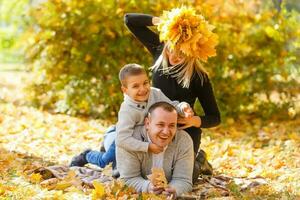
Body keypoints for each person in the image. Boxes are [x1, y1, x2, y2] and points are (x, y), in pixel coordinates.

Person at [124, 8, 221, 182]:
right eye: (172, 48)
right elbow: (129, 20)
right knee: (142, 169)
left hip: (185, 131)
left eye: (182, 52)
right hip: (155, 125)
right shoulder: (158, 50)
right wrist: (164, 23)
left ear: (192, 51)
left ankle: (200, 160)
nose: (175, 56)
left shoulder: (199, 77)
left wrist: (193, 121)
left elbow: (215, 117)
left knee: (182, 176)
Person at [70, 64, 193, 174]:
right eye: (135, 86)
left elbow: (171, 106)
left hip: (143, 137)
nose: (143, 89)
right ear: (125, 90)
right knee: (106, 161)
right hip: (123, 135)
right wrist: (148, 147)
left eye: (145, 83)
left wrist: (183, 107)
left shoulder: (155, 93)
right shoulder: (127, 110)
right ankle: (87, 155)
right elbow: (122, 140)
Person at [116, 101, 194, 199]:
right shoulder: (129, 141)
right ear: (147, 123)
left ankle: (200, 160)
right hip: (115, 142)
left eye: (171, 125)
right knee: (109, 159)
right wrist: (147, 187)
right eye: (160, 124)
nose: (166, 132)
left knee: (195, 171)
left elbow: (184, 180)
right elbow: (127, 179)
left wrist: (175, 189)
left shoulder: (184, 140)